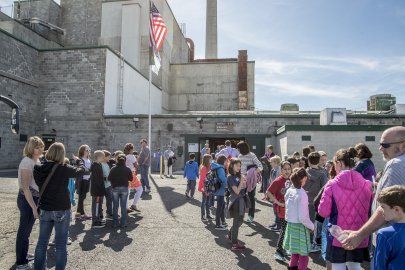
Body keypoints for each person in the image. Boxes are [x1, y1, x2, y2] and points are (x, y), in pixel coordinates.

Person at [343, 126, 405, 251]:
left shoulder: (396, 163)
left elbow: (386, 207)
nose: (380, 148)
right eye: (380, 144)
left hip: (391, 241)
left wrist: (359, 234)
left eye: (385, 145)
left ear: (403, 145)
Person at [318, 148, 373, 270]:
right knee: (355, 267)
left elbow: (323, 212)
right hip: (358, 235)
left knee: (338, 267)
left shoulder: (331, 184)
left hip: (338, 235)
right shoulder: (368, 184)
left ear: (339, 163)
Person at [33, 142, 84, 270]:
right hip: (61, 208)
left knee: (42, 242)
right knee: (61, 244)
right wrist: (79, 161)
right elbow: (81, 171)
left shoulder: (38, 167)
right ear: (62, 154)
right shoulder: (63, 168)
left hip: (45, 208)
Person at [15, 136, 44, 270]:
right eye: (37, 147)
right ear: (31, 148)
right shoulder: (27, 161)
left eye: (41, 147)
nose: (40, 149)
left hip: (34, 199)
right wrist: (33, 207)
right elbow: (25, 188)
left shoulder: (36, 160)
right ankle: (21, 262)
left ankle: (24, 254)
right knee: (24, 232)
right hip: (27, 200)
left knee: (27, 231)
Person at [283, 168, 314, 270]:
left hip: (291, 225)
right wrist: (312, 226)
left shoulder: (289, 191)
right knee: (304, 255)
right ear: (303, 178)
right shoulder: (302, 194)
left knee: (295, 252)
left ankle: (291, 267)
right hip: (300, 227)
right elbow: (303, 217)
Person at [373, 185, 405, 270]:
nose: (381, 211)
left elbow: (379, 266)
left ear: (396, 209)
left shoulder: (385, 234)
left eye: (383, 207)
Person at [267, 161, 292, 261]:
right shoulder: (278, 181)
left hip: (290, 210)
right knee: (284, 229)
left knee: (287, 230)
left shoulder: (291, 180)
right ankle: (278, 251)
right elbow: (268, 192)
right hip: (281, 209)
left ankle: (283, 249)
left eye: (288, 169)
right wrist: (277, 202)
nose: (287, 171)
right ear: (281, 170)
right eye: (284, 169)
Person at [304, 151, 328, 253]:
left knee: (307, 221)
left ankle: (308, 242)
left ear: (308, 161)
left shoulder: (304, 171)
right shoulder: (323, 174)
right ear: (319, 161)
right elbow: (325, 188)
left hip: (306, 200)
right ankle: (315, 243)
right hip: (317, 202)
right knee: (317, 223)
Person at [226, 158, 249, 251]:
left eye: (240, 166)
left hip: (242, 199)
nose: (239, 167)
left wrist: (244, 183)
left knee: (240, 220)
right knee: (237, 221)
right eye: (237, 166)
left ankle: (231, 235)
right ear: (231, 166)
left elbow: (244, 188)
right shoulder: (230, 177)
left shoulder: (239, 175)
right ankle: (234, 243)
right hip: (236, 201)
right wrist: (241, 181)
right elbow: (236, 191)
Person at [236, 141, 263, 223]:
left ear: (242, 148)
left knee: (251, 198)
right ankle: (242, 215)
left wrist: (253, 173)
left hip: (251, 180)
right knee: (241, 197)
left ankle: (251, 216)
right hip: (242, 180)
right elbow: (238, 167)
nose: (238, 150)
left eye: (238, 148)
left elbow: (260, 166)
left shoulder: (252, 155)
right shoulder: (239, 156)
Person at [108, 154, 133, 228]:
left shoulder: (113, 168)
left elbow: (109, 178)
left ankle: (115, 223)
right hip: (124, 188)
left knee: (115, 206)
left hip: (115, 188)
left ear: (117, 160)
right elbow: (131, 179)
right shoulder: (127, 169)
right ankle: (123, 223)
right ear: (125, 160)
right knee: (123, 206)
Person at [90, 150, 106, 229]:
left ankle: (98, 219)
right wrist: (101, 189)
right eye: (103, 157)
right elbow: (97, 180)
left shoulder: (98, 165)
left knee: (99, 206)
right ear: (98, 157)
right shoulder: (95, 166)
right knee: (96, 206)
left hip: (99, 190)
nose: (104, 158)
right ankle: (95, 222)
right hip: (97, 190)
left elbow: (100, 178)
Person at [75, 144, 92, 220]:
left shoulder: (88, 159)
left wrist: (89, 172)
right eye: (86, 150)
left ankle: (81, 213)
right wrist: (88, 172)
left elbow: (89, 170)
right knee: (81, 197)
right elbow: (80, 171)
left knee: (83, 197)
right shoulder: (80, 160)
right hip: (82, 181)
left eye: (89, 150)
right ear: (82, 151)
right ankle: (79, 214)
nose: (88, 151)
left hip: (87, 180)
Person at [212, 155, 228, 230]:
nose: (227, 163)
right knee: (219, 208)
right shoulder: (221, 168)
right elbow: (223, 179)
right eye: (226, 161)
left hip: (217, 189)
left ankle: (223, 222)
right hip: (221, 190)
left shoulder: (216, 166)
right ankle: (218, 224)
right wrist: (227, 186)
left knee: (222, 206)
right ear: (224, 161)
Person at [198, 154, 214, 222]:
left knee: (208, 202)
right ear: (207, 160)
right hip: (205, 187)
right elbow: (202, 179)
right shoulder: (204, 168)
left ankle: (208, 215)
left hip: (209, 187)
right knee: (204, 202)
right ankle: (203, 216)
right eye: (210, 159)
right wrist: (204, 189)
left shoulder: (209, 167)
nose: (211, 160)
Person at [101, 150, 113, 219]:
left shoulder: (107, 164)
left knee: (109, 200)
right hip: (103, 186)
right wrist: (106, 178)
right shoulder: (100, 165)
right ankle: (100, 213)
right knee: (101, 201)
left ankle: (109, 213)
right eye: (108, 156)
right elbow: (100, 176)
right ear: (104, 157)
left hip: (108, 185)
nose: (109, 158)